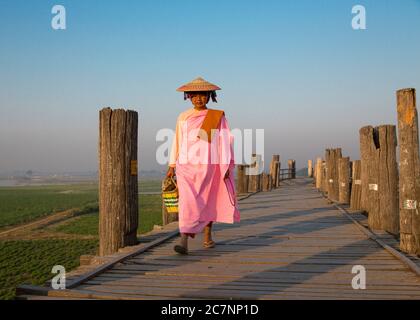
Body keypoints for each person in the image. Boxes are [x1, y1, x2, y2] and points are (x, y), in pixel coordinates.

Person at [166, 77, 240, 255]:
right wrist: (172, 164)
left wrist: (225, 166)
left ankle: (207, 236)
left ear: (210, 96)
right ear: (189, 97)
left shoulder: (217, 116)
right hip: (186, 164)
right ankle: (184, 240)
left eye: (203, 95)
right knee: (187, 202)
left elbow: (224, 141)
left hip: (209, 165)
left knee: (208, 198)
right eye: (195, 95)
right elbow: (177, 140)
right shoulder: (183, 116)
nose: (199, 98)